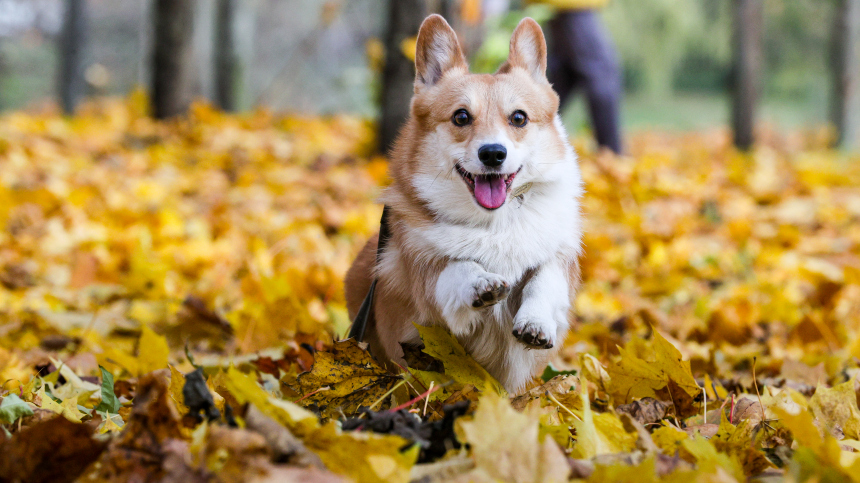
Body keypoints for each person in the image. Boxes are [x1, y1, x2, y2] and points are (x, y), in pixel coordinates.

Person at [530, 0, 623, 153]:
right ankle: (611, 155)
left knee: (564, 77)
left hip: (567, 6)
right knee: (601, 71)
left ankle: (525, 142)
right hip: (572, 5)